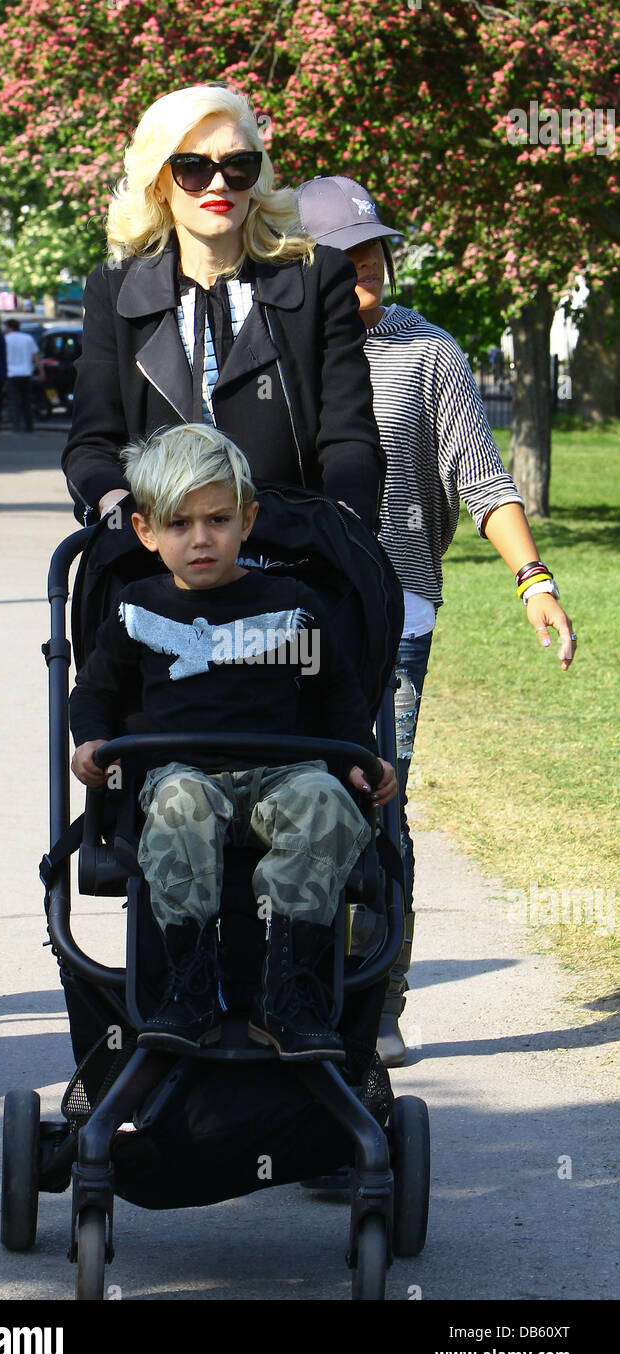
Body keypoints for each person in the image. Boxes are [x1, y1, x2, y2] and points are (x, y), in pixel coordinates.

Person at [297, 174, 577, 1064]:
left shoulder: (428, 354)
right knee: (283, 800)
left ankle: (378, 999)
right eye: (345, 255)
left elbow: (482, 477)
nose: (366, 265)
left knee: (377, 800)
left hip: (394, 616)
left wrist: (532, 576)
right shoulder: (279, 346)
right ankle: (284, 990)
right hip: (284, 614)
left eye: (375, 247)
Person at [69, 423, 396, 1060]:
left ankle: (289, 985)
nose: (200, 539)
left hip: (284, 770)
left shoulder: (294, 602)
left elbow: (338, 696)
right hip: (181, 772)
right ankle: (189, 983)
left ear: (248, 521)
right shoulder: (136, 608)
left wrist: (359, 758)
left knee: (324, 803)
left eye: (218, 520)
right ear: (145, 532)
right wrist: (91, 741)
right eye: (179, 525)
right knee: (178, 805)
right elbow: (97, 691)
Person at [61, 84, 385, 534]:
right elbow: (92, 446)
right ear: (159, 184)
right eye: (192, 167)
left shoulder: (318, 277)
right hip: (158, 564)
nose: (218, 183)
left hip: (296, 555)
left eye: (238, 165)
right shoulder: (112, 290)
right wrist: (127, 522)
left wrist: (341, 531)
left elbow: (349, 438)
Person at [3, 319, 45, 431]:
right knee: (27, 401)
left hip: (11, 374)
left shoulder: (5, 339)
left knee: (14, 401)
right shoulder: (28, 338)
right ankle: (29, 425)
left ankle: (16, 425)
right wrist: (41, 371)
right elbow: (36, 356)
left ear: (10, 327)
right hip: (26, 373)